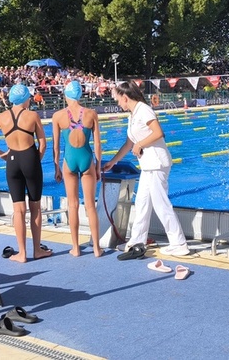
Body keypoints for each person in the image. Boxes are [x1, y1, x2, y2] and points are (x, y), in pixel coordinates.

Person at [102, 80, 189, 258]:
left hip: (157, 164)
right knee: (141, 203)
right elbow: (129, 143)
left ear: (125, 97)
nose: (118, 103)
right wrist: (113, 161)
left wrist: (140, 144)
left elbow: (158, 133)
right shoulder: (132, 115)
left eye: (118, 99)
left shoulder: (144, 110)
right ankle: (136, 241)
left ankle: (179, 243)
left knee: (161, 204)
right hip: (149, 166)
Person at [0, 84, 51, 263]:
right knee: (35, 207)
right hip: (30, 159)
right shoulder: (32, 115)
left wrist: (1, 154)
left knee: (18, 210)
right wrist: (35, 161)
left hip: (12, 161)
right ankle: (37, 250)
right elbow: (43, 144)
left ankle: (21, 253)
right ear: (26, 98)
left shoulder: (2, 117)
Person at [51, 80, 103, 257]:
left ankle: (76, 248)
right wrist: (98, 167)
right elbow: (97, 144)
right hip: (87, 159)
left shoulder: (58, 116)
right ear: (81, 95)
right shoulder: (91, 114)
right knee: (90, 206)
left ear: (66, 95)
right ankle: (96, 248)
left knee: (72, 205)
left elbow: (56, 147)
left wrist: (57, 167)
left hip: (69, 161)